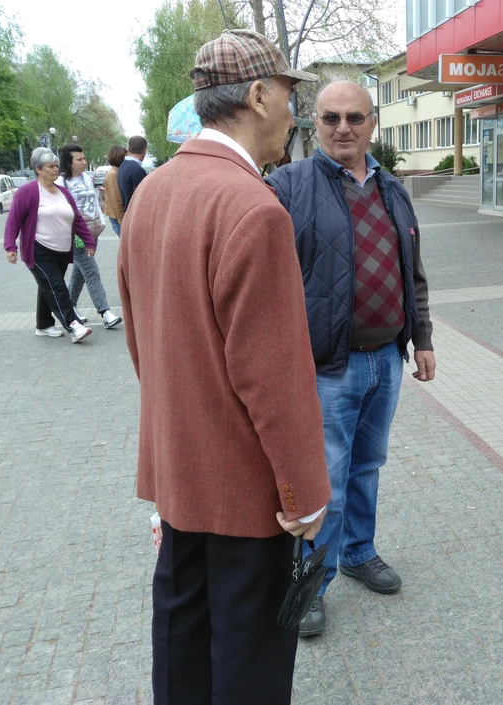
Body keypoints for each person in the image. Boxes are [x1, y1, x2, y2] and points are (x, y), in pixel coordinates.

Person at [117, 29, 329, 705]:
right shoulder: (251, 207)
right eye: (291, 95)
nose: (295, 113)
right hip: (245, 493)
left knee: (181, 639)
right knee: (249, 657)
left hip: (179, 472)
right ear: (259, 95)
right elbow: (275, 379)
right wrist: (306, 494)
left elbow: (144, 345)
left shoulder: (150, 193)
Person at [266, 79, 436, 637]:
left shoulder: (393, 189)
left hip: (386, 358)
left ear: (373, 124)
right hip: (327, 366)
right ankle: (311, 581)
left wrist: (423, 338)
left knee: (367, 466)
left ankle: (360, 552)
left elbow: (412, 271)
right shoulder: (288, 185)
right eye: (332, 118)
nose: (344, 128)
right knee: (327, 481)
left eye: (355, 118)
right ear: (314, 123)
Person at [3, 147, 95, 344]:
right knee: (57, 287)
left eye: (56, 166)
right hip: (38, 250)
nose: (56, 169)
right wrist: (10, 246)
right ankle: (73, 325)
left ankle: (43, 325)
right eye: (50, 166)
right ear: (38, 169)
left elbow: (77, 219)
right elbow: (13, 220)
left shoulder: (63, 192)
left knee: (49, 286)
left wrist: (88, 240)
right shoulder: (27, 192)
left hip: (61, 250)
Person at [57, 144, 122, 330]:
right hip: (76, 234)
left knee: (81, 271)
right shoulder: (62, 183)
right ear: (69, 162)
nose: (84, 162)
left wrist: (100, 222)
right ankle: (105, 313)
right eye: (79, 159)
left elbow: (94, 202)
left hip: (93, 231)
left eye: (84, 158)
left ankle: (69, 306)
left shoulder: (87, 178)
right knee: (91, 271)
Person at [118, 135, 147, 211]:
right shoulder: (137, 170)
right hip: (135, 213)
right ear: (145, 150)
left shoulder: (122, 166)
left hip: (127, 212)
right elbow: (142, 198)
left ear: (128, 148)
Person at [102, 145, 127, 236]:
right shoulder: (113, 174)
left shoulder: (116, 172)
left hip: (117, 216)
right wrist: (122, 221)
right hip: (117, 217)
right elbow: (116, 198)